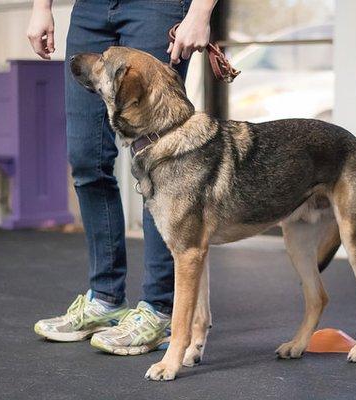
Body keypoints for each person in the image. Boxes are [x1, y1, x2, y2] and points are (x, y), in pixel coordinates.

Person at [27, 0, 216, 355]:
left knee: (161, 162)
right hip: (91, 10)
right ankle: (106, 300)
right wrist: (41, 7)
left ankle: (159, 308)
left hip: (156, 8)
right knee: (86, 158)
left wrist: (200, 11)